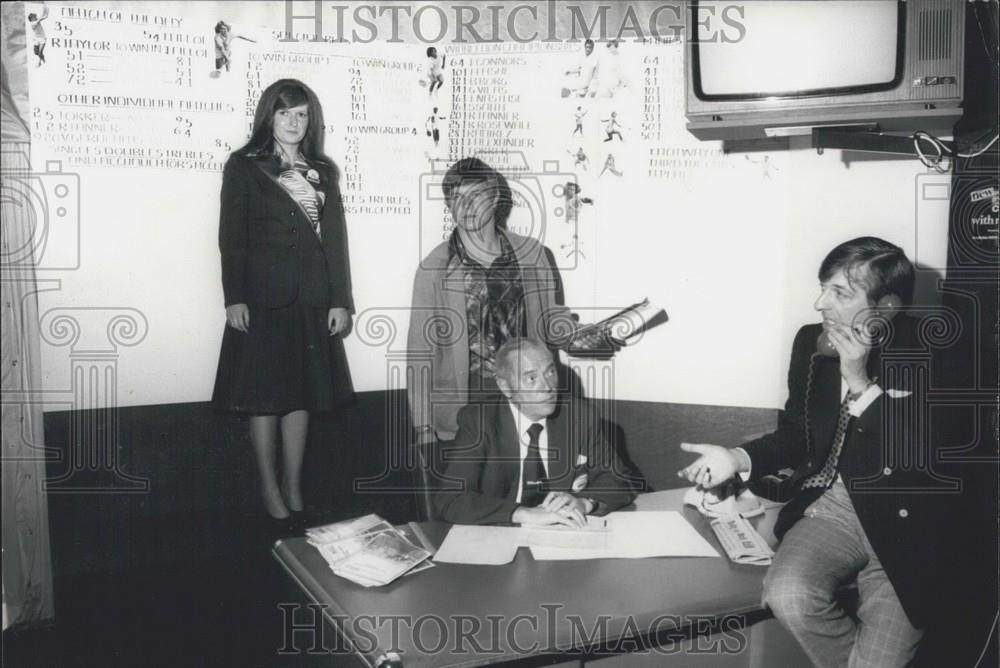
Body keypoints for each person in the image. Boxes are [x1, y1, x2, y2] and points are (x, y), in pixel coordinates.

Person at [678, 237, 943, 667]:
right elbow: (798, 433)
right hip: (832, 508)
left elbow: (919, 458)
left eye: (840, 293)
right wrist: (736, 458)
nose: (821, 303)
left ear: (887, 307)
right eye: (824, 287)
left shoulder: (935, 350)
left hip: (905, 520)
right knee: (787, 594)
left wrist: (860, 380)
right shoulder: (809, 343)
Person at [212, 79, 355, 529]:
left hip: (312, 298)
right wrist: (234, 296)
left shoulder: (322, 170)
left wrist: (340, 299)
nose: (294, 122)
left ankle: (294, 487)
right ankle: (269, 488)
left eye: (301, 115)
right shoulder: (246, 165)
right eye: (285, 113)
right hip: (262, 299)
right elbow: (231, 237)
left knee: (303, 396)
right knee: (264, 397)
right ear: (268, 117)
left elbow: (335, 240)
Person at [407, 157, 610, 447]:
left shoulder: (532, 254)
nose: (465, 206)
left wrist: (580, 335)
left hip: (526, 389)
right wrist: (423, 427)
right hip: (467, 400)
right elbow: (419, 352)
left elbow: (550, 318)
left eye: (475, 195)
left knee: (526, 484)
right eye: (456, 198)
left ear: (496, 198)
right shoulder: (434, 267)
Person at [434, 338, 635, 525]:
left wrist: (584, 502)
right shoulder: (479, 421)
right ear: (505, 386)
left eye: (550, 372)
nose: (548, 387)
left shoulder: (578, 415)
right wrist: (524, 513)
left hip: (562, 536)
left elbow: (620, 478)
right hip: (501, 537)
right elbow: (452, 499)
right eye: (531, 378)